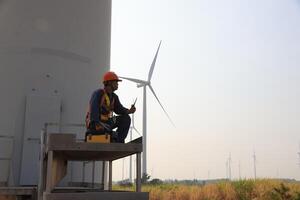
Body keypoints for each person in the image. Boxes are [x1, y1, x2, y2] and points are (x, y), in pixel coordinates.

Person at [85, 71, 136, 143]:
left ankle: (118, 141)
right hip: (96, 123)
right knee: (106, 128)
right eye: (116, 82)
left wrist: (129, 111)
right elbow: (94, 109)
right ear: (109, 83)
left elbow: (119, 110)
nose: (117, 84)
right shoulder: (99, 93)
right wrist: (96, 122)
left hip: (108, 122)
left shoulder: (114, 97)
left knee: (125, 118)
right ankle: (109, 134)